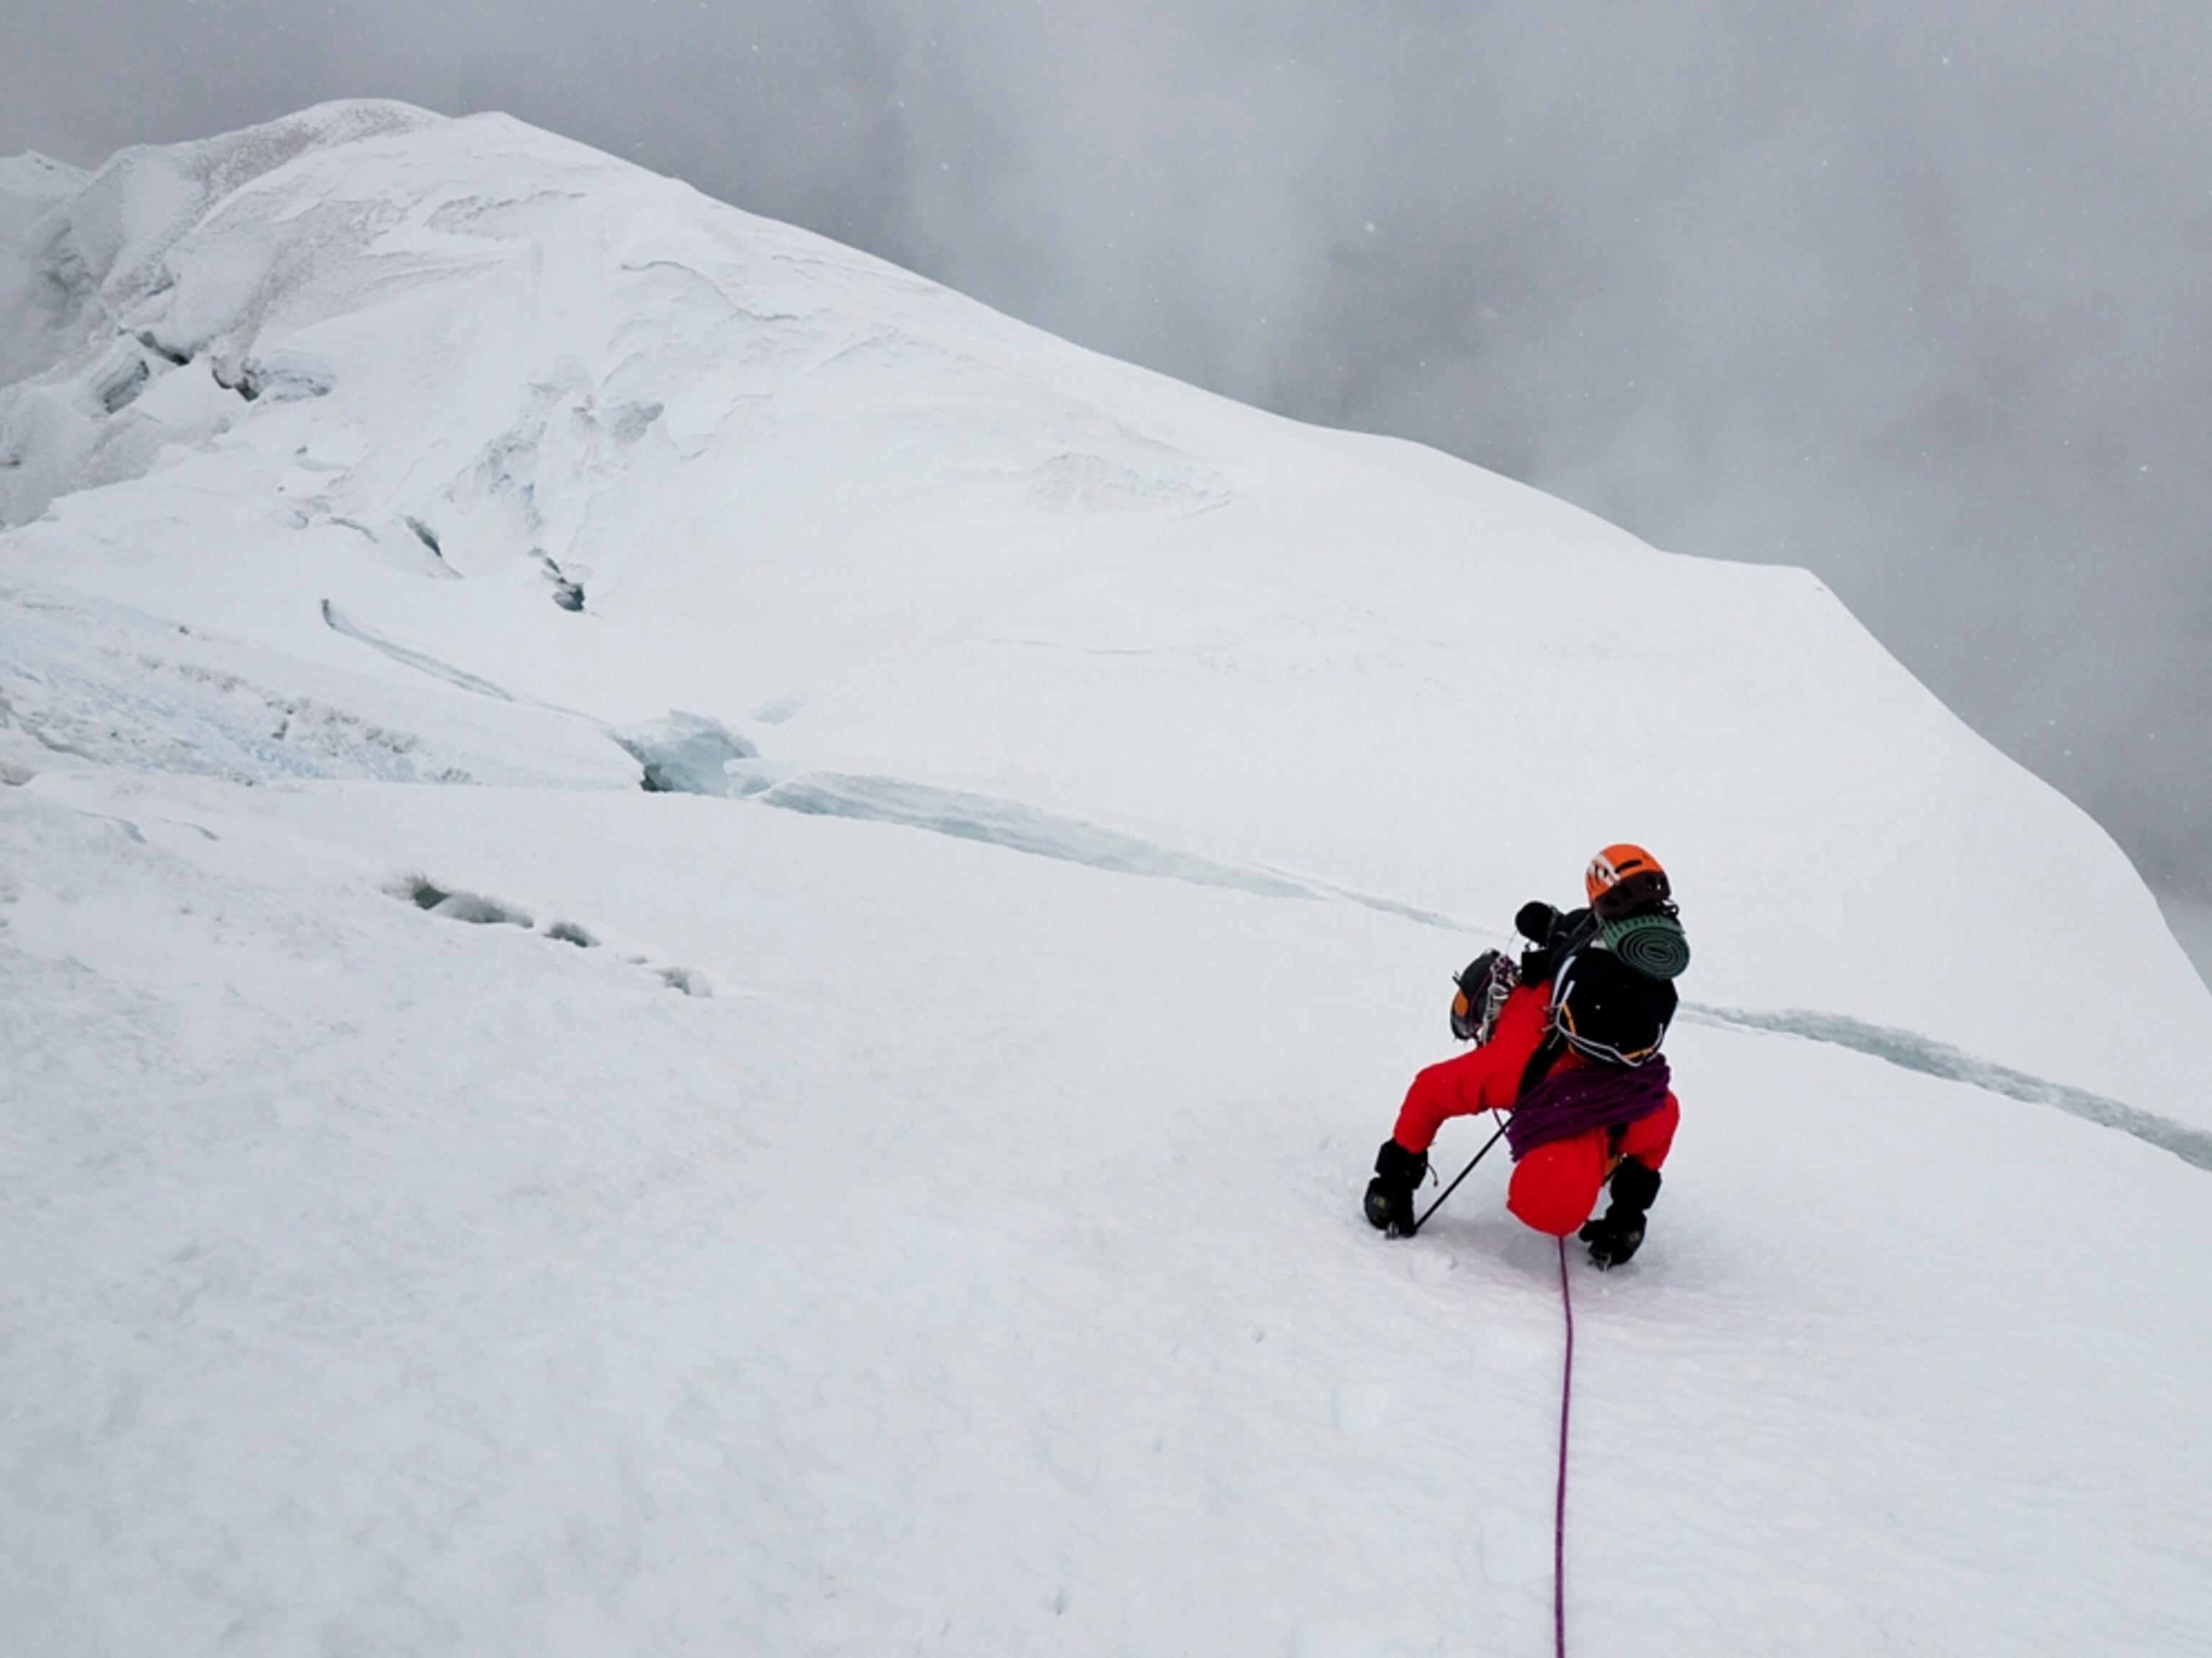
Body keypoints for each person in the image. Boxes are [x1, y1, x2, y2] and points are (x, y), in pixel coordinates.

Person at [1364, 845, 1689, 1268]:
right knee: (1514, 1012)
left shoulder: (1640, 1112)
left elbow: (1429, 1092)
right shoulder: (1630, 1114)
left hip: (1560, 1006)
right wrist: (1628, 1214)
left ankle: (1561, 938)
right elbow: (1429, 1092)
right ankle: (1532, 964)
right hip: (1538, 1019)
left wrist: (1394, 1178)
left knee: (1550, 976)